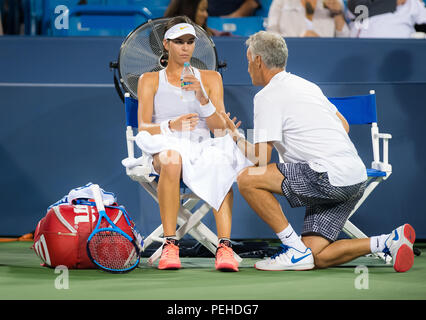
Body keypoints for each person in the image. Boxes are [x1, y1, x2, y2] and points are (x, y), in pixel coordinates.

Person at [221, 31, 416, 272]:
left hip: (326, 177)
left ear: (258, 60)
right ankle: (387, 241)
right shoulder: (308, 86)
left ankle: (293, 249)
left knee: (248, 179)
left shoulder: (266, 96)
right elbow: (343, 124)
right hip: (355, 178)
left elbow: (259, 159)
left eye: (248, 60)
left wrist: (233, 137)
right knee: (317, 256)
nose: (248, 67)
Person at [134, 16, 253, 271]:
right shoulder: (149, 80)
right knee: (172, 158)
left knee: (222, 159)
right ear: (166, 44)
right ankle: (170, 245)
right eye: (179, 42)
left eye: (190, 41)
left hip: (202, 146)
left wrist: (202, 97)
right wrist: (170, 126)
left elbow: (219, 129)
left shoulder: (210, 79)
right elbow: (143, 126)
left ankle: (224, 248)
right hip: (164, 144)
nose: (185, 47)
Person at [266, 0, 350, 37]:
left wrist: (337, 13)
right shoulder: (280, 1)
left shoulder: (334, 1)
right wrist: (300, 41)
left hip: (324, 53)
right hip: (290, 53)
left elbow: (344, 37)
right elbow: (271, 33)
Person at [347, 0, 426, 38]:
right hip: (365, 48)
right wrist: (393, 2)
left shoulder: (410, 2)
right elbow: (360, 9)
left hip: (401, 50)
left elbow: (423, 22)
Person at [164, 0, 231, 36]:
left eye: (206, 10)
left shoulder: (213, 36)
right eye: (202, 10)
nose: (206, 15)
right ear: (188, 10)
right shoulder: (161, 38)